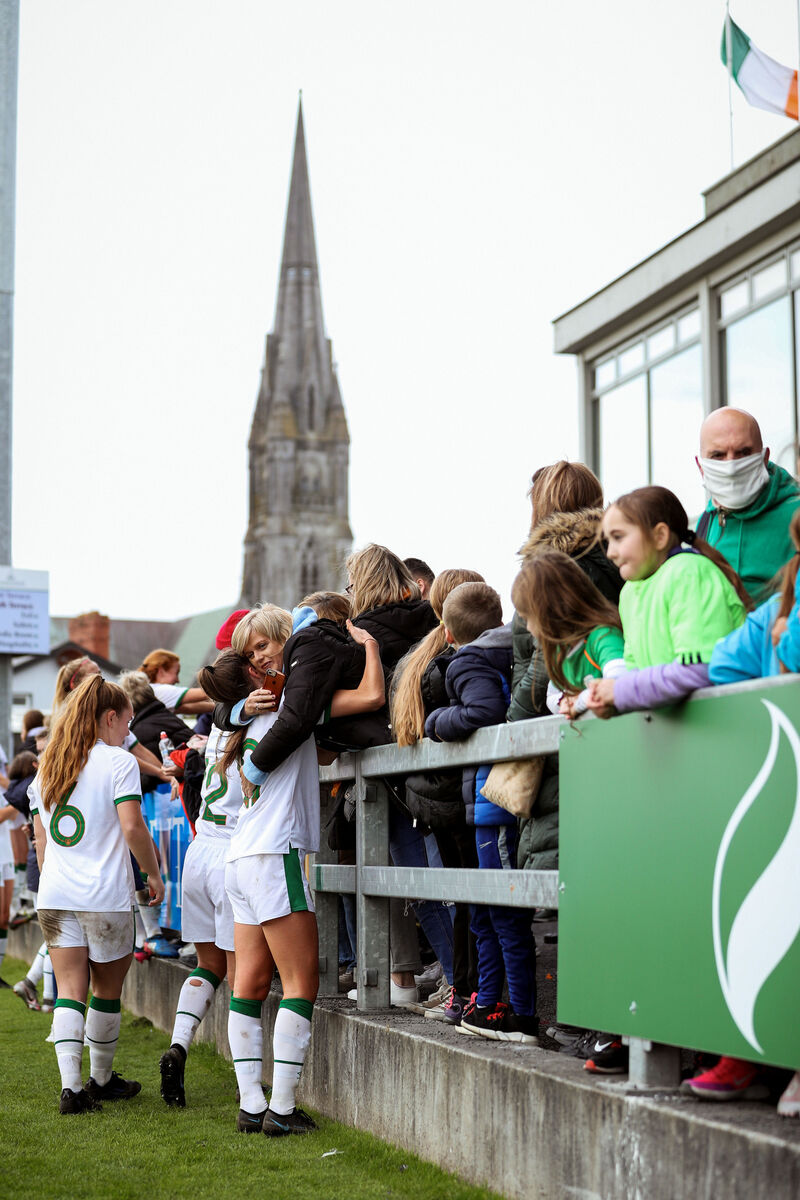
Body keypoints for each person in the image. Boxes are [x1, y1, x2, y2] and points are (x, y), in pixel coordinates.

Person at [28, 676, 164, 1114]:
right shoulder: (117, 762)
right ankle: (100, 1080)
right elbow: (132, 827)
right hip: (103, 894)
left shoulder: (48, 762)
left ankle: (71, 1089)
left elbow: (39, 839)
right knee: (106, 989)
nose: (128, 733)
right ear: (109, 718)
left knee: (69, 989)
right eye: (126, 723)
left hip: (55, 891)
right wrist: (153, 874)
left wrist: (55, 882)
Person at [425, 582, 538, 1045]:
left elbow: (484, 711)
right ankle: (488, 1000)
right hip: (489, 803)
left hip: (497, 802)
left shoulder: (469, 659)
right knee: (487, 911)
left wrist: (435, 722)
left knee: (502, 911)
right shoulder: (509, 648)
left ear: (448, 633)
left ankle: (521, 1013)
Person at [510, 462, 622, 901]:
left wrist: (514, 719)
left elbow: (545, 657)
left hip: (563, 729)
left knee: (573, 879)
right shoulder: (607, 553)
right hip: (582, 717)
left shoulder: (561, 564)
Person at [391, 568, 485, 1023]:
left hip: (432, 793)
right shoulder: (447, 659)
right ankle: (468, 989)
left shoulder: (420, 658)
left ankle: (461, 988)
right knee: (474, 898)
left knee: (460, 895)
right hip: (458, 792)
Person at [695, 407, 800, 601]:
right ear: (701, 466)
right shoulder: (705, 522)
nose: (731, 466)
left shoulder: (796, 514)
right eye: (718, 455)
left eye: (743, 452)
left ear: (764, 457)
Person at [510, 551, 626, 718]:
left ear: (551, 611)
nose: (528, 628)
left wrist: (577, 701)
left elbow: (618, 684)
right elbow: (553, 697)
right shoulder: (561, 652)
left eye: (529, 618)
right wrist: (565, 701)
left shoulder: (602, 637)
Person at [138, 649, 214, 715]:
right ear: (161, 671)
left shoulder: (151, 692)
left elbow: (188, 707)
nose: (178, 680)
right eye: (176, 673)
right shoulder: (161, 691)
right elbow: (206, 693)